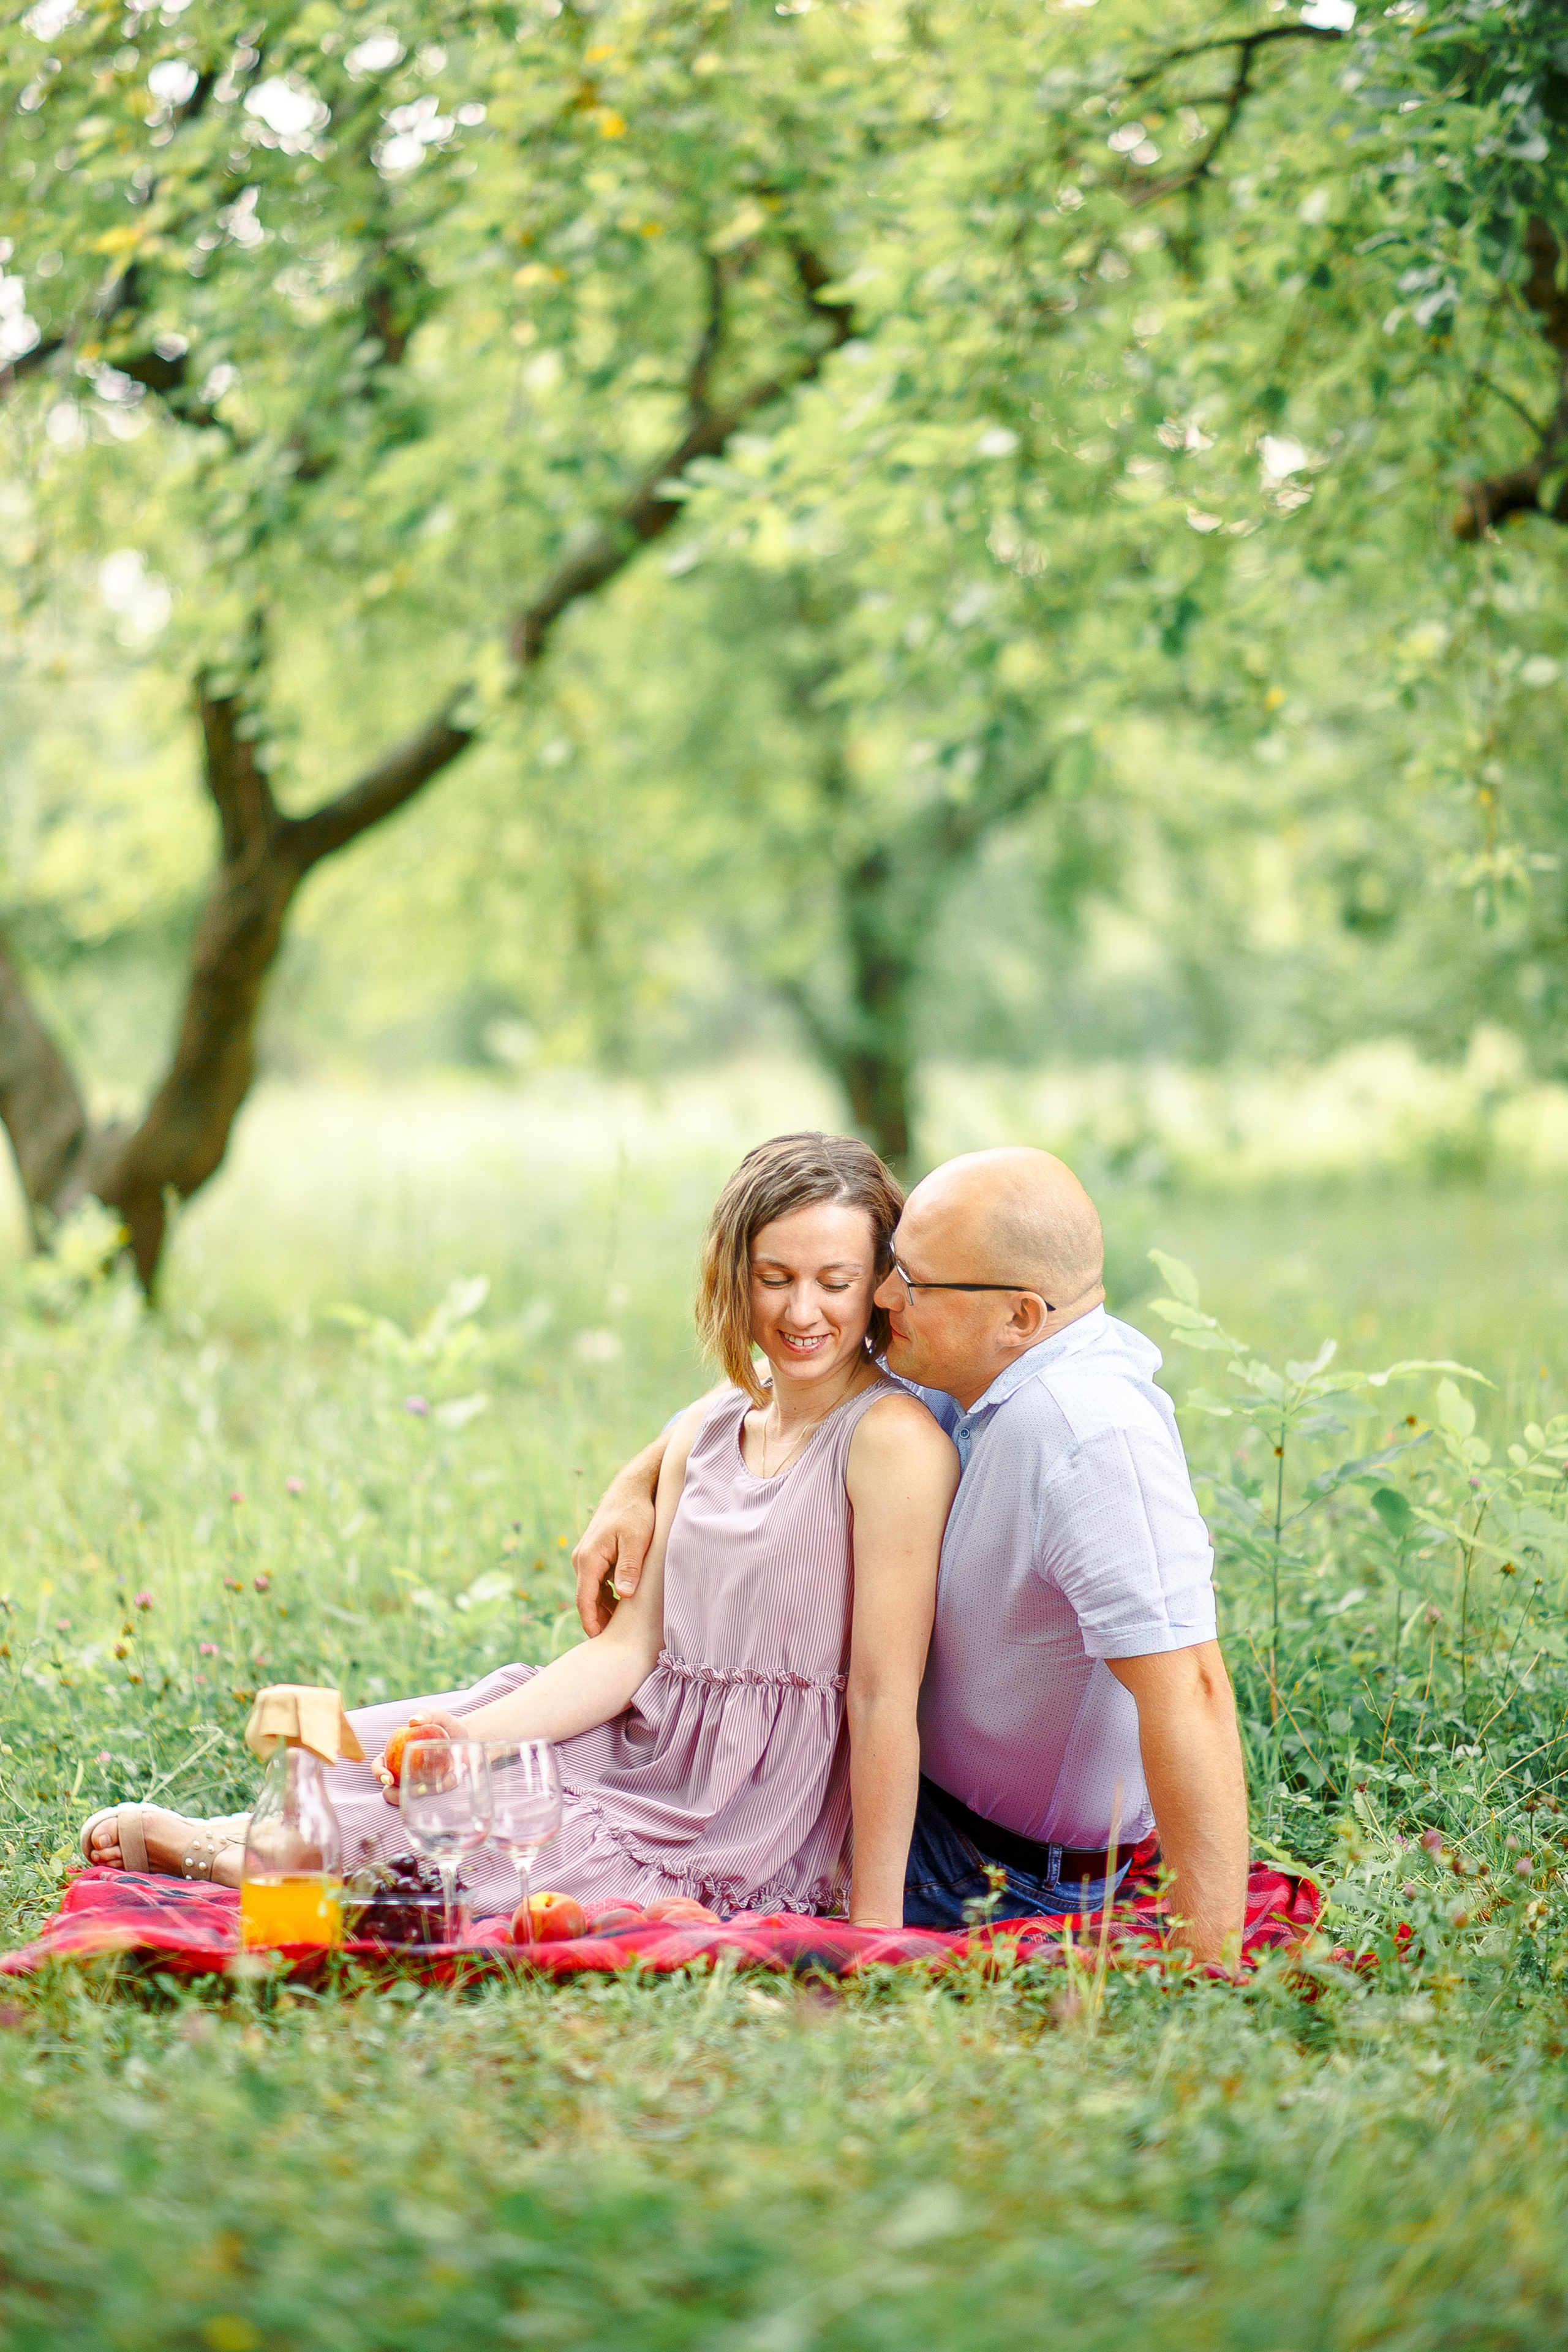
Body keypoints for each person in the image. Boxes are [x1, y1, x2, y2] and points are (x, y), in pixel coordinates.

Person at [79, 1134, 959, 1927]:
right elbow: (629, 1653)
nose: (803, 1312)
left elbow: (884, 1695)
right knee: (386, 1761)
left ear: (878, 1283)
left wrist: (875, 1926)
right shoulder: (708, 1428)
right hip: (636, 1746)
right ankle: (255, 1844)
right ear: (735, 1277)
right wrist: (475, 1737)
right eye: (776, 1279)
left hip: (740, 1812)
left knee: (478, 1859)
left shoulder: (889, 1445)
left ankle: (222, 1855)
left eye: (834, 1283)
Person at [573, 1147, 1249, 1962]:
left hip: (994, 1869)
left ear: (1022, 1317)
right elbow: (792, 1378)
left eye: (913, 1284)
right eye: (893, 1268)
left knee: (573, 1852)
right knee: (576, 1773)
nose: (885, 1297)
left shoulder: (1089, 1441)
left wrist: (1209, 1973)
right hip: (894, 1792)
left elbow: (1195, 1690)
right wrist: (637, 1477)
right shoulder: (967, 1359)